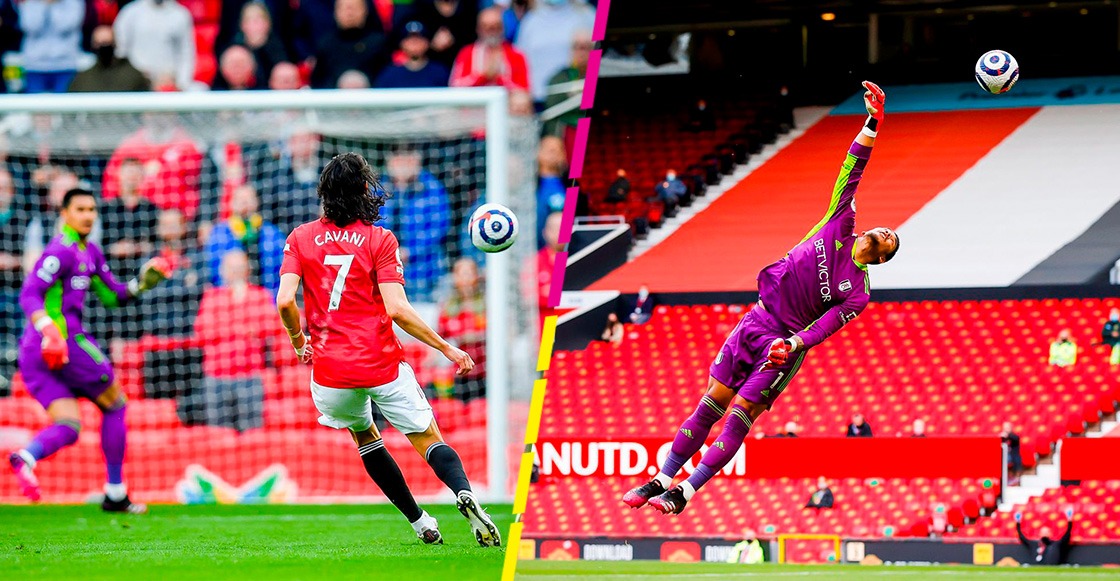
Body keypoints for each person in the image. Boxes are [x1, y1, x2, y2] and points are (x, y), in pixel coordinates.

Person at [623, 82, 901, 515]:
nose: (887, 232)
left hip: (783, 344)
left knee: (741, 413)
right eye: (887, 229)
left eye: (892, 240)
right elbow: (853, 166)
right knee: (711, 402)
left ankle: (685, 491)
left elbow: (823, 328)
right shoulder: (841, 220)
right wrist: (872, 122)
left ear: (882, 258)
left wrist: (793, 344)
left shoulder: (858, 292)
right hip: (756, 319)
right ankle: (661, 479)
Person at [276, 152, 500, 546]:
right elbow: (397, 309)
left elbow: (284, 301)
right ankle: (464, 493)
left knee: (366, 436)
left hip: (330, 373)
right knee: (427, 438)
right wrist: (446, 348)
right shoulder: (379, 238)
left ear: (323, 192)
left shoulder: (300, 238)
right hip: (380, 363)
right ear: (366, 189)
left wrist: (299, 342)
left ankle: (420, 522)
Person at [7, 188, 171, 512]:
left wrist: (142, 284)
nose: (87, 215)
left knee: (69, 426)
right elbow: (29, 294)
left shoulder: (90, 252)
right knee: (115, 404)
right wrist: (49, 330)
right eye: (80, 209)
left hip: (34, 353)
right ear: (65, 214)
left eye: (92, 209)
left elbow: (112, 296)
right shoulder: (60, 251)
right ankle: (115, 492)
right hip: (62, 342)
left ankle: (26, 457)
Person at [193, 250, 273, 431]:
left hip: (250, 375)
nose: (235, 271)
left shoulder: (259, 295)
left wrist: (226, 328)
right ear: (223, 271)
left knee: (252, 430)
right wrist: (244, 330)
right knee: (218, 433)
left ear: (248, 269)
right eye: (231, 267)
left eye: (239, 267)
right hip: (217, 375)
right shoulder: (212, 297)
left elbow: (268, 327)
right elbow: (202, 332)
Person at [379, 148, 451, 303]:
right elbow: (373, 223)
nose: (403, 164)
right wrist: (390, 250)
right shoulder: (379, 188)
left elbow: (439, 227)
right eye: (398, 158)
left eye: (408, 158)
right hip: (386, 268)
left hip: (425, 272)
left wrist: (409, 252)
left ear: (416, 160)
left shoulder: (432, 188)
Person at [101, 114, 204, 222]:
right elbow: (111, 182)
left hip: (176, 221)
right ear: (145, 115)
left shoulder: (187, 145)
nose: (158, 117)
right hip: (136, 217)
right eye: (153, 112)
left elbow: (196, 187)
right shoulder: (129, 145)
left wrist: (188, 217)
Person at [204, 184, 285, 296]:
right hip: (227, 298)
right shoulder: (219, 234)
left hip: (267, 298)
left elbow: (281, 271)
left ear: (257, 202)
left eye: (249, 199)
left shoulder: (272, 234)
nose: (245, 203)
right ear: (231, 203)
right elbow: (212, 271)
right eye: (240, 199)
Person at [515, 0, 595, 105]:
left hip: (573, 98)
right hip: (537, 99)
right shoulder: (530, 21)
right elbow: (519, 61)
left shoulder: (587, 15)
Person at [113, 0, 197, 91]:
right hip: (136, 83)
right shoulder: (130, 12)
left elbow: (186, 53)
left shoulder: (180, 14)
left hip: (168, 83)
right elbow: (120, 51)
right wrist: (135, 75)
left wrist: (181, 83)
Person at [309, 0, 390, 89]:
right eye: (345, 8)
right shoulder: (325, 44)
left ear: (365, 11)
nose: (350, 13)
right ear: (335, 12)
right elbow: (318, 82)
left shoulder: (378, 44)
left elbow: (388, 78)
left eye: (354, 8)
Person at [437, 257, 486, 401]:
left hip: (485, 373)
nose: (465, 279)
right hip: (457, 375)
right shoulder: (447, 308)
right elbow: (439, 338)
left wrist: (475, 337)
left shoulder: (487, 305)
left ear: (477, 276)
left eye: (469, 273)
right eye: (461, 273)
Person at [448, 7, 529, 92]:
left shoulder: (517, 54)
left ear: (503, 28)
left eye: (496, 26)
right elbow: (455, 85)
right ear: (478, 29)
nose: (492, 31)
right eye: (486, 27)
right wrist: (483, 76)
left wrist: (498, 78)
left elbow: (523, 89)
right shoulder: (466, 53)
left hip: (507, 99)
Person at [18, 0, 85, 93]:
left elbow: (65, 25)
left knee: (65, 101)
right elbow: (31, 26)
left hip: (65, 65)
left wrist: (54, 5)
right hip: (35, 65)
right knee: (34, 101)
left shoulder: (73, 2)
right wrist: (43, 4)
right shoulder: (30, 2)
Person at [542, 29, 592, 145]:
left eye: (585, 47)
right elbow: (553, 107)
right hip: (564, 134)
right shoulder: (559, 78)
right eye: (576, 47)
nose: (581, 52)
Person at [67, 25, 150, 93]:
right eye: (99, 43)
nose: (104, 47)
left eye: (107, 43)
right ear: (93, 46)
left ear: (115, 44)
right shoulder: (83, 79)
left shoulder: (132, 75)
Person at [374, 21, 451, 89]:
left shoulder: (439, 72)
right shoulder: (390, 74)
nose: (414, 43)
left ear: (427, 43)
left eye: (418, 39)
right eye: (410, 39)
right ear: (402, 43)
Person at [536, 136, 568, 248]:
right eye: (549, 150)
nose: (554, 153)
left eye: (558, 150)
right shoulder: (531, 185)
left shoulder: (570, 184)